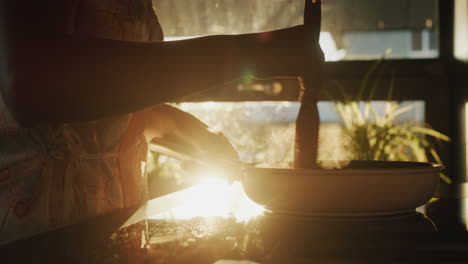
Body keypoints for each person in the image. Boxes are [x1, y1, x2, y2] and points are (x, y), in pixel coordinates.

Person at [0, 0, 320, 244]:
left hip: (110, 236)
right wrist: (251, 54)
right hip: (33, 241)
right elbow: (32, 85)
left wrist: (194, 135)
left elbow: (108, 115)